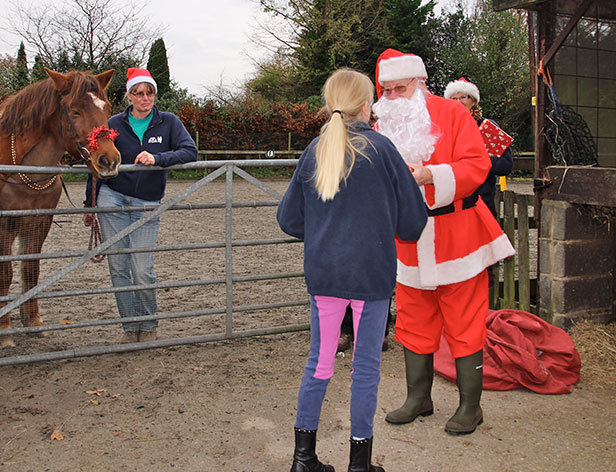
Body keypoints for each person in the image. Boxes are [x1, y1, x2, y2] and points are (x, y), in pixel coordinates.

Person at [277, 68, 427, 472]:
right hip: (371, 278)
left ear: (329, 106)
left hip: (325, 276)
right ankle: (359, 464)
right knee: (365, 370)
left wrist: (328, 227)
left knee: (320, 364)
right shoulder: (382, 150)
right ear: (367, 105)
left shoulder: (314, 150)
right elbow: (414, 223)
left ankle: (302, 459)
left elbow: (289, 220)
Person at [372, 48, 515, 435]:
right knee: (414, 319)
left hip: (458, 234)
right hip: (408, 238)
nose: (392, 97)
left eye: (400, 88)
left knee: (465, 320)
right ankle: (419, 398)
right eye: (386, 90)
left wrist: (432, 175)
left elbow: (477, 165)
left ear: (420, 83)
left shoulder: (454, 114)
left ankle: (471, 406)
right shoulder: (382, 124)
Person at [84, 68, 198, 344]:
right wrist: (90, 203)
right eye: (138, 92)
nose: (145, 98)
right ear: (129, 95)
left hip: (147, 202)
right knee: (119, 266)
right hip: (112, 197)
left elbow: (189, 151)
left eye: (149, 92)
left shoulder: (168, 122)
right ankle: (129, 326)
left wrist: (159, 158)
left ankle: (148, 324)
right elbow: (96, 163)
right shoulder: (113, 123)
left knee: (142, 267)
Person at [444, 77, 514, 219]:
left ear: (473, 101)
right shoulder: (443, 130)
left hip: (482, 203)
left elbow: (505, 166)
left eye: (463, 97)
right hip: (451, 206)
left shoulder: (487, 128)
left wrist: (477, 161)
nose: (458, 102)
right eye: (453, 99)